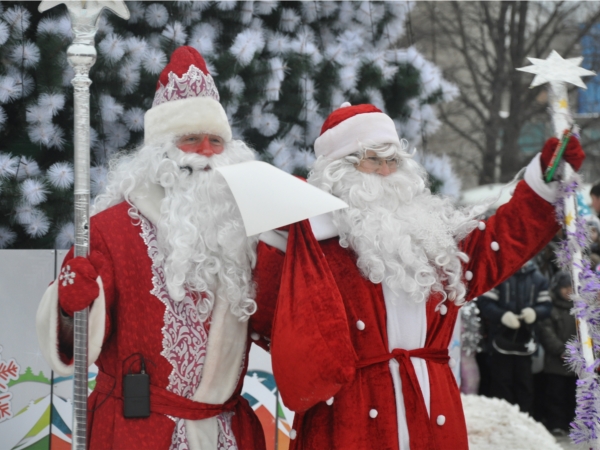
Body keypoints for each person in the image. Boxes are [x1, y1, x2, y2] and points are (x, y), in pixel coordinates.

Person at [250, 103, 585, 449]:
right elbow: (267, 320)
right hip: (350, 418)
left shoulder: (431, 242)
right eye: (371, 159)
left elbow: (498, 245)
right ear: (339, 171)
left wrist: (544, 181)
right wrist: (278, 241)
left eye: (392, 160)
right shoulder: (312, 247)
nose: (385, 171)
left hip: (431, 410)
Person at [36, 47, 266, 449]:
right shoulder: (109, 231)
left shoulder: (244, 234)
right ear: (162, 152)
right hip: (137, 431)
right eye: (191, 140)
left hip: (224, 431)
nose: (207, 153)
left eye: (216, 141)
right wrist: (71, 304)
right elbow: (77, 341)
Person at [477, 260, 552, 414]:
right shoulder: (500, 275)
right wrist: (502, 315)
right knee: (500, 382)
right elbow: (485, 303)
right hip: (500, 338)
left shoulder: (539, 279)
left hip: (526, 340)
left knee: (525, 383)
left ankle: (525, 418)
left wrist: (535, 312)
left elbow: (546, 306)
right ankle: (503, 418)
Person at [538, 271, 577, 436]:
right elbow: (546, 332)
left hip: (577, 362)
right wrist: (561, 350)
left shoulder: (581, 309)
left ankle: (573, 423)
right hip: (556, 362)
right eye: (565, 288)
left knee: (573, 395)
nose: (568, 291)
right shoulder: (550, 308)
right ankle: (556, 424)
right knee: (556, 395)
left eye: (571, 288)